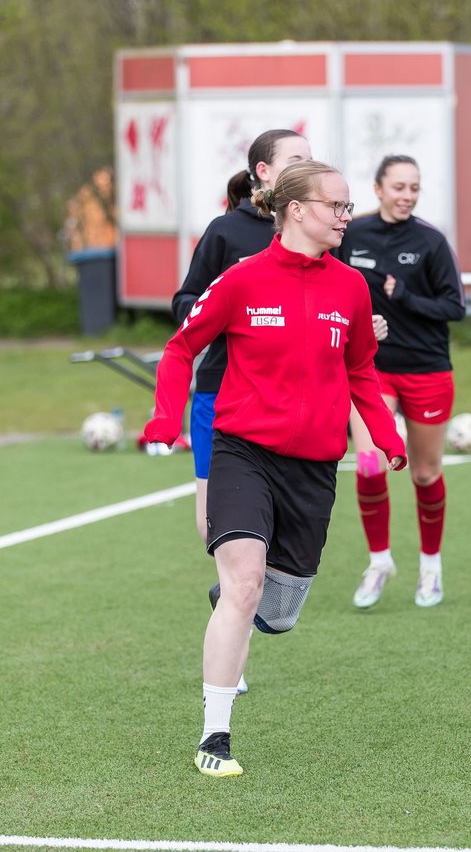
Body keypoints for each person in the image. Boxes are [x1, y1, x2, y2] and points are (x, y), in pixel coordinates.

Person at [143, 160, 407, 778]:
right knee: (244, 584)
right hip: (243, 451)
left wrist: (385, 435)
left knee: (277, 611)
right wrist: (163, 421)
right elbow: (182, 347)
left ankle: (237, 600)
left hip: (315, 466)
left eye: (346, 207)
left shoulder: (350, 287)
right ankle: (214, 736)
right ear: (295, 209)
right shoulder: (242, 280)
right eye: (336, 206)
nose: (346, 217)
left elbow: (362, 371)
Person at [171, 130, 310, 697]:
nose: (309, 166)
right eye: (296, 160)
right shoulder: (227, 232)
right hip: (221, 395)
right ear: (263, 172)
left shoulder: (315, 231)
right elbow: (186, 303)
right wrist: (234, 312)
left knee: (275, 533)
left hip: (290, 402)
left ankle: (239, 596)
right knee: (215, 523)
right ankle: (232, 615)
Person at [340, 155, 466, 609]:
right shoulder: (352, 235)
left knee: (424, 472)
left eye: (414, 187)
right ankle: (379, 562)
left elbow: (455, 307)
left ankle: (430, 567)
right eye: (398, 187)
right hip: (370, 369)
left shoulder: (431, 241)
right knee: (370, 463)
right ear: (377, 189)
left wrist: (406, 297)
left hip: (427, 368)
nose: (406, 195)